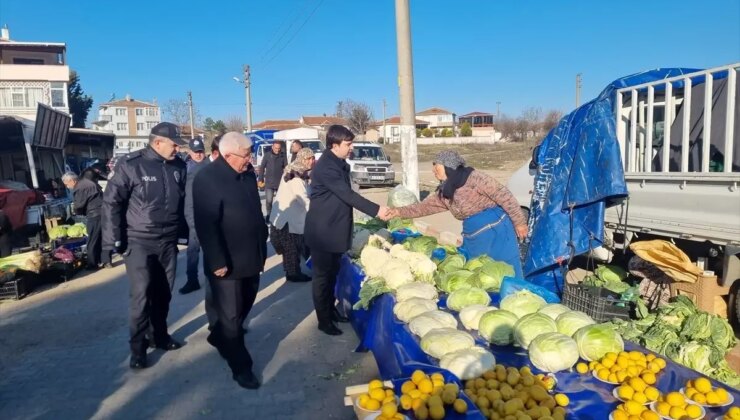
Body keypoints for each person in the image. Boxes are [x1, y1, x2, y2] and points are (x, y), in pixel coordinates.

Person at [103, 122, 188, 370]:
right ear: (157, 142)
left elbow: (184, 204)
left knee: (164, 293)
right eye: (174, 144)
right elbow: (111, 202)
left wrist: (186, 233)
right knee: (141, 296)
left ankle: (159, 336)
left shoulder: (179, 167)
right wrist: (113, 239)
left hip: (168, 241)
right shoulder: (131, 165)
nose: (177, 149)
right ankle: (138, 349)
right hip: (139, 241)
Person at [193, 131, 267, 390]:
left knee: (246, 302)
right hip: (226, 261)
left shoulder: (246, 173)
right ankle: (241, 367)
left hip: (251, 256)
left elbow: (255, 211)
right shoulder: (207, 178)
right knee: (232, 317)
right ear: (227, 155)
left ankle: (218, 335)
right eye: (246, 155)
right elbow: (206, 224)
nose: (250, 160)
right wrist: (216, 261)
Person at [383, 150, 528, 278]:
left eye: (437, 166)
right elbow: (423, 208)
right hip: (474, 235)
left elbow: (504, 196)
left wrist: (519, 222)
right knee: (480, 272)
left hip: (497, 230)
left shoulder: (475, 178)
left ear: (449, 166)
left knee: (506, 269)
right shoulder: (445, 192)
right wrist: (397, 212)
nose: (434, 170)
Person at [304, 125, 389, 336]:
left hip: (334, 229)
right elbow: (347, 195)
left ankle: (331, 310)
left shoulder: (338, 162)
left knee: (332, 276)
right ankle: (323, 321)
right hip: (323, 232)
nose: (351, 148)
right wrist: (377, 210)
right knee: (322, 279)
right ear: (334, 145)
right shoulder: (327, 167)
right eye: (348, 144)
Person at [270, 147, 315, 283]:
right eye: (310, 158)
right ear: (303, 159)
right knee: (291, 248)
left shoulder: (296, 171)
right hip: (287, 220)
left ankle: (291, 270)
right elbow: (303, 198)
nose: (312, 161)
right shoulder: (295, 177)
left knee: (291, 247)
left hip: (287, 217)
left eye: (313, 158)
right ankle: (293, 274)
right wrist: (317, 213)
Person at [179, 137, 209, 295]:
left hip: (208, 216)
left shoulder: (210, 167)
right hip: (192, 215)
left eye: (200, 151)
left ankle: (211, 279)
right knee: (192, 250)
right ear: (190, 152)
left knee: (210, 249)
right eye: (195, 152)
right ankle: (192, 280)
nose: (198, 154)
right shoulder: (185, 168)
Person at [62, 171, 103, 270]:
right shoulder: (88, 182)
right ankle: (104, 260)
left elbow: (79, 205)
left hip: (94, 214)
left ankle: (92, 264)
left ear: (72, 180)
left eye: (67, 184)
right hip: (103, 211)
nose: (67, 187)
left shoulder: (79, 187)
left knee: (92, 240)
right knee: (101, 238)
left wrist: (75, 211)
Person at [259, 141, 287, 223]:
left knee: (281, 200)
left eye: (279, 148)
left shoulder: (283, 155)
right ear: (272, 147)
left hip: (279, 182)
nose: (277, 150)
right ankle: (269, 215)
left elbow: (286, 167)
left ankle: (281, 215)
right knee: (269, 200)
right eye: (276, 148)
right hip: (269, 182)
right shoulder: (267, 155)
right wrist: (260, 179)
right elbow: (262, 167)